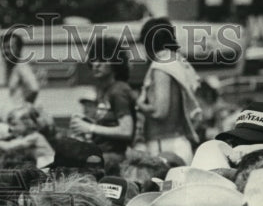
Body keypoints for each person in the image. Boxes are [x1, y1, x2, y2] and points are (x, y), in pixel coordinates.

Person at [136, 18, 203, 164]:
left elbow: (161, 111)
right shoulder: (180, 63)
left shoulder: (161, 66)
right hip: (180, 142)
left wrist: (139, 104)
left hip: (164, 146)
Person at [69, 36, 135, 173]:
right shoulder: (105, 90)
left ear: (115, 63)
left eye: (103, 60)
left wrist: (89, 127)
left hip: (114, 161)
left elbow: (126, 130)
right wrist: (86, 124)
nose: (96, 64)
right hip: (104, 158)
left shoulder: (118, 90)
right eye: (93, 60)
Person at [3, 30, 41, 108]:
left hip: (24, 115)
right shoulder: (13, 68)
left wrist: (25, 107)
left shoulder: (22, 66)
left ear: (19, 49)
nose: (6, 51)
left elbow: (34, 88)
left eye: (10, 48)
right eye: (4, 48)